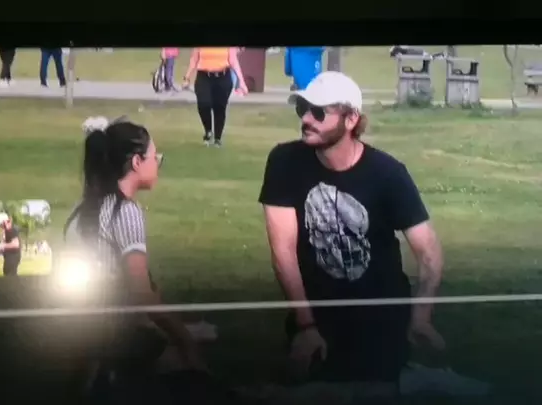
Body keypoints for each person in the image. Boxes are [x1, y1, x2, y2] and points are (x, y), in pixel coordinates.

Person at [258, 71, 446, 386]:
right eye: (303, 108)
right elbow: (283, 253)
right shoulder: (284, 162)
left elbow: (429, 252)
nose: (306, 119)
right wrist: (305, 325)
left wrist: (421, 315)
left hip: (380, 317)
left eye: (319, 112)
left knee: (376, 390)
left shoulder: (388, 174)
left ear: (351, 119)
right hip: (316, 315)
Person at [62, 116, 204, 390]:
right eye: (155, 157)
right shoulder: (125, 212)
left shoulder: (81, 211)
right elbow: (142, 296)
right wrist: (185, 339)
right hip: (112, 341)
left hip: (80, 335)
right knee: (193, 370)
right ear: (137, 162)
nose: (158, 164)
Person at [182, 47, 248, 148]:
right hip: (204, 77)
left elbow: (234, 61)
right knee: (203, 103)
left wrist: (242, 82)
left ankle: (218, 138)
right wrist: (187, 78)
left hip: (223, 77)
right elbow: (194, 59)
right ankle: (208, 131)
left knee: (220, 107)